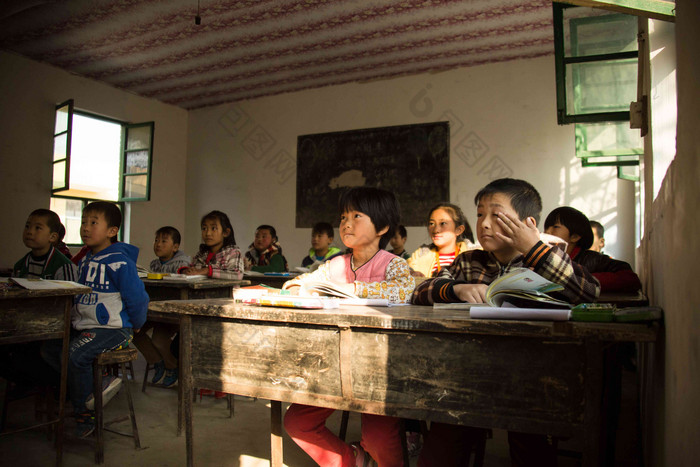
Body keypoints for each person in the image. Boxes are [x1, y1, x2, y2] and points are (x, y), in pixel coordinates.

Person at [412, 179, 600, 467]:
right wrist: (455, 289)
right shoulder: (470, 260)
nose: (485, 223)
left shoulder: (546, 259)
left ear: (528, 223)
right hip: (469, 377)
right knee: (442, 448)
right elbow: (420, 292)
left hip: (533, 379)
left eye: (496, 215)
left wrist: (534, 248)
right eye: (479, 214)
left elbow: (588, 292)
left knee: (530, 445)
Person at [283, 186, 415, 467]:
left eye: (357, 215)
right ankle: (351, 461)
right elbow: (307, 282)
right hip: (332, 364)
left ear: (382, 227)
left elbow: (404, 291)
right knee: (296, 422)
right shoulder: (334, 264)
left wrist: (352, 288)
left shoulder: (394, 265)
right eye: (343, 216)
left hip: (378, 369)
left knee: (380, 439)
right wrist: (297, 286)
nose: (346, 223)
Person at [43, 201, 149, 438]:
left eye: (93, 223)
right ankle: (90, 387)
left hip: (114, 329)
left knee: (75, 354)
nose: (85, 228)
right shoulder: (86, 259)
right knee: (50, 349)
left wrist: (137, 324)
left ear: (112, 231)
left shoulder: (119, 260)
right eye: (83, 222)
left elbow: (138, 297)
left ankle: (85, 413)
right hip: (88, 327)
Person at [1, 209, 78, 394]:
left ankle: (58, 386)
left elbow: (70, 304)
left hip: (54, 329)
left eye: (37, 228)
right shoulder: (21, 266)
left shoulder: (64, 265)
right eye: (27, 226)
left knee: (29, 356)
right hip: (23, 326)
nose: (29, 231)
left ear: (52, 237)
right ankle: (34, 383)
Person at [133, 226, 191, 388]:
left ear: (175, 247)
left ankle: (172, 366)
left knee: (159, 340)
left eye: (164, 241)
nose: (158, 244)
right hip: (153, 310)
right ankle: (157, 361)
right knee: (133, 331)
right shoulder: (155, 264)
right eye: (156, 240)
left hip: (171, 312)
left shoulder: (182, 263)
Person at [544, 207, 641, 293]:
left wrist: (581, 281)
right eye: (546, 227)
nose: (547, 232)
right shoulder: (546, 258)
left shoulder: (594, 259)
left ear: (574, 237)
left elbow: (631, 279)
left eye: (555, 227)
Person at [407, 202, 478, 277]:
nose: (436, 230)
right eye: (431, 223)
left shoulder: (473, 255)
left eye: (443, 223)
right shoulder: (419, 256)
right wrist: (412, 274)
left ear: (458, 230)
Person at [179, 211, 244, 279]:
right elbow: (193, 270)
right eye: (204, 228)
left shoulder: (233, 252)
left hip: (224, 289)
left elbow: (237, 274)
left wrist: (208, 271)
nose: (208, 233)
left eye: (213, 228)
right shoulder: (201, 254)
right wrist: (187, 271)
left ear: (225, 232)